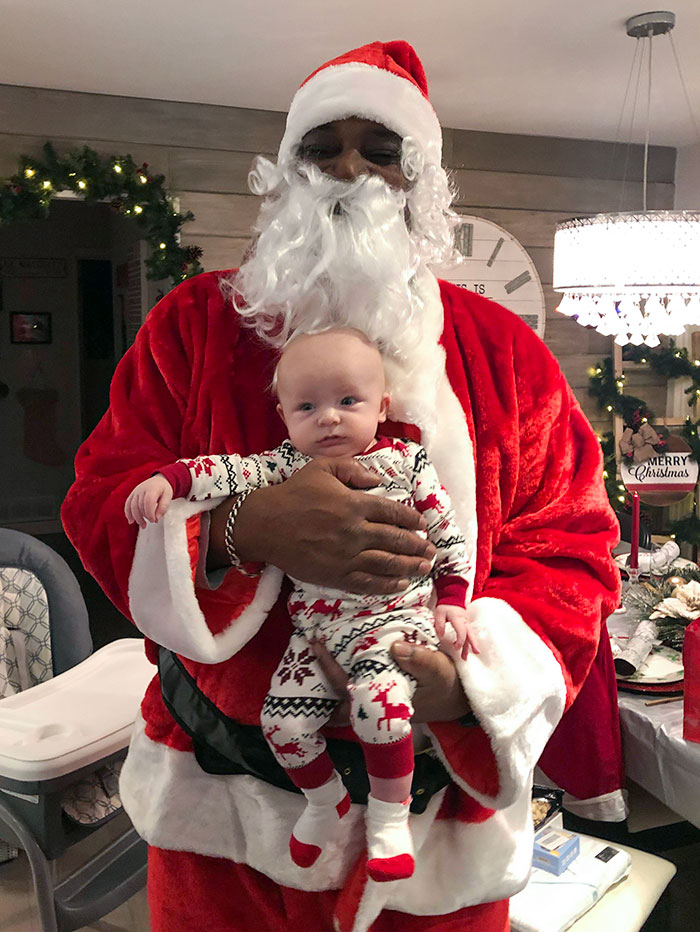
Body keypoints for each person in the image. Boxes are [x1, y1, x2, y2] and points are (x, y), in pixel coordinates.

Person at [62, 40, 622, 932]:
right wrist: (242, 528)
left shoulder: (502, 350)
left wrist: (466, 682)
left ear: (420, 179)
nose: (351, 169)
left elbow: (572, 543)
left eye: (382, 148)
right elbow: (101, 496)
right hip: (227, 810)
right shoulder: (194, 326)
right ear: (287, 172)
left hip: (439, 827)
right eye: (324, 146)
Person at [124, 327, 479, 883]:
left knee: (378, 705)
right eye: (307, 407)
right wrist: (171, 480)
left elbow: (449, 536)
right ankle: (324, 802)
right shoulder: (287, 465)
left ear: (383, 406)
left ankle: (389, 821)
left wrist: (453, 600)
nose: (329, 418)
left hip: (396, 624)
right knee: (282, 726)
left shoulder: (408, 464)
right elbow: (226, 470)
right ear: (285, 415)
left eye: (348, 402)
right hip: (315, 633)